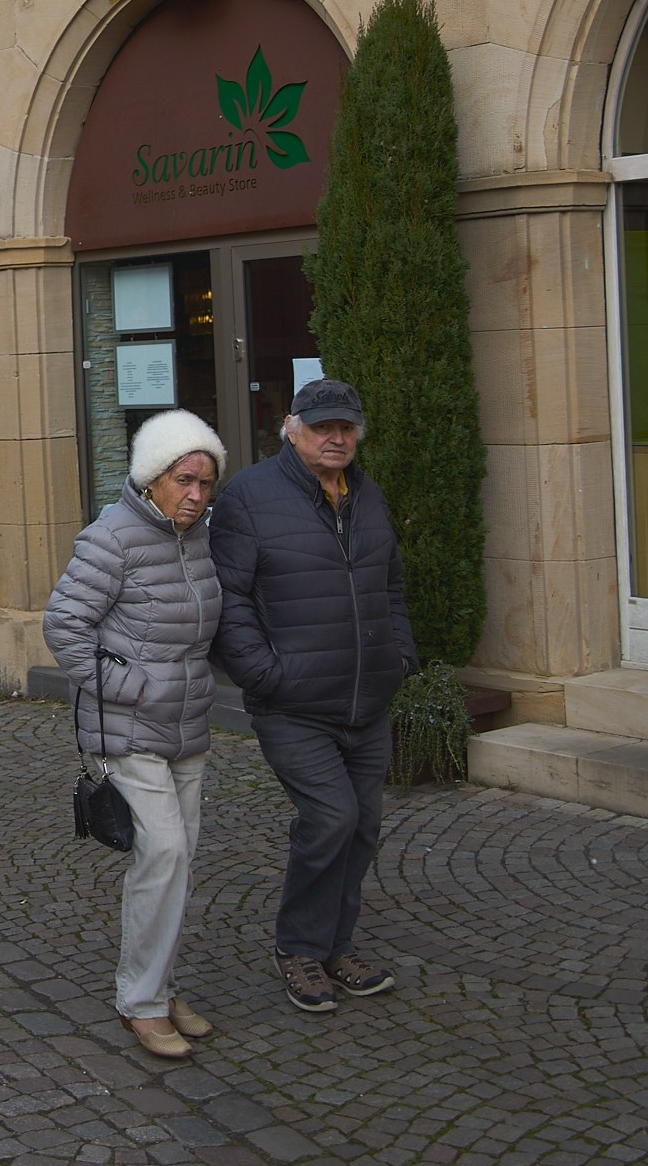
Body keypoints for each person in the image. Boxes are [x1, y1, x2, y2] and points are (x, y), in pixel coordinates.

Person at [209, 377, 418, 1014]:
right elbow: (229, 600)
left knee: (362, 829)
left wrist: (399, 657)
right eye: (322, 427)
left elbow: (391, 587)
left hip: (366, 699)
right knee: (331, 818)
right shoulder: (250, 496)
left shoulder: (367, 495)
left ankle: (336, 946)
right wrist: (266, 675)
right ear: (291, 429)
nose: (336, 438)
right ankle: (299, 948)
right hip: (293, 704)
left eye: (346, 428)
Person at [42, 409, 228, 1060]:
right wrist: (131, 687)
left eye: (206, 482)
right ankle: (141, 1003)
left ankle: (161, 985)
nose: (196, 494)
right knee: (166, 853)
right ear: (152, 478)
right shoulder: (111, 538)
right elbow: (64, 627)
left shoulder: (199, 535)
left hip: (187, 726)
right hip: (126, 729)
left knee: (178, 863)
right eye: (184, 479)